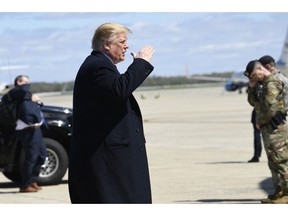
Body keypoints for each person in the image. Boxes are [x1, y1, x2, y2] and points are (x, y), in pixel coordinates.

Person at [68, 23, 154, 203]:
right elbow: (119, 90)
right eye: (122, 41)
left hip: (111, 161)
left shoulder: (99, 64)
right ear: (106, 45)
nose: (127, 46)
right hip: (109, 164)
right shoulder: (98, 66)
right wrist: (141, 63)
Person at [245, 60, 288, 204]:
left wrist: (260, 122)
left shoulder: (272, 83)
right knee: (273, 162)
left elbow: (272, 109)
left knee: (282, 162)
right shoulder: (263, 85)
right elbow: (254, 103)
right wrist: (251, 88)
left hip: (276, 130)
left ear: (260, 69)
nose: (254, 78)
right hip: (268, 130)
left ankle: (287, 194)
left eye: (254, 75)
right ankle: (279, 192)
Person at [8, 75, 47, 193]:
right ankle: (25, 185)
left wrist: (36, 100)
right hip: (26, 130)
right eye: (25, 82)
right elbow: (22, 91)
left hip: (36, 129)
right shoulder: (15, 92)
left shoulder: (26, 94)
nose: (27, 84)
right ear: (18, 82)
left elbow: (39, 106)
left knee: (42, 155)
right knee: (31, 157)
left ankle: (32, 180)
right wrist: (30, 96)